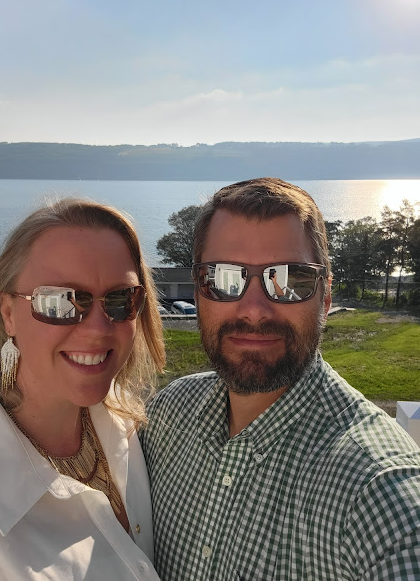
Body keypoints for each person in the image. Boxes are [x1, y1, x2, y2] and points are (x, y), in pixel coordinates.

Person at [141, 178, 420, 581]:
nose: (254, 309)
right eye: (224, 277)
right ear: (199, 291)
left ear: (325, 296)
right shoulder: (167, 416)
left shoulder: (378, 491)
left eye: (290, 279)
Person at [0, 197, 165, 580]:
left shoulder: (128, 425)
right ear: (8, 314)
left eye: (120, 300)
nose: (98, 330)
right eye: (61, 301)